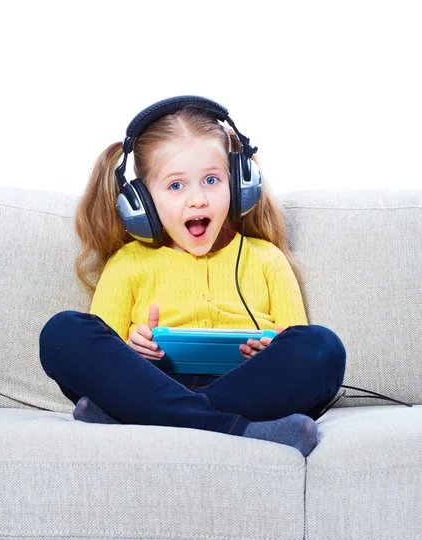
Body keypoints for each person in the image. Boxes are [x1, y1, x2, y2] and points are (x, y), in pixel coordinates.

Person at [39, 96, 346, 457]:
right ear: (143, 200)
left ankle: (135, 422)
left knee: (323, 348)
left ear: (239, 185)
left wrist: (268, 351)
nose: (197, 200)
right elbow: (106, 355)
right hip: (150, 386)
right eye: (176, 186)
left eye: (212, 180)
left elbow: (296, 340)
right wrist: (133, 349)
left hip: (247, 388)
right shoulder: (128, 262)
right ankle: (233, 429)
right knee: (63, 333)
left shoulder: (266, 258)